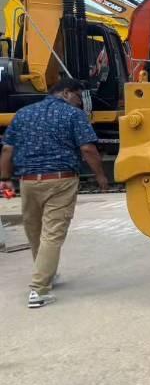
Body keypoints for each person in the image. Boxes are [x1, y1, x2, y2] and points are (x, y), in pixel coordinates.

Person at [0, 78, 109, 308]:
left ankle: (45, 273)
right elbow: (88, 148)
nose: (80, 103)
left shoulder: (23, 114)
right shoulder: (73, 115)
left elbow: (8, 149)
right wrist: (100, 176)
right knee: (53, 234)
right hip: (60, 180)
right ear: (67, 93)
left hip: (28, 182)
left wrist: (5, 179)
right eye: (79, 97)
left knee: (35, 231)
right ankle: (39, 290)